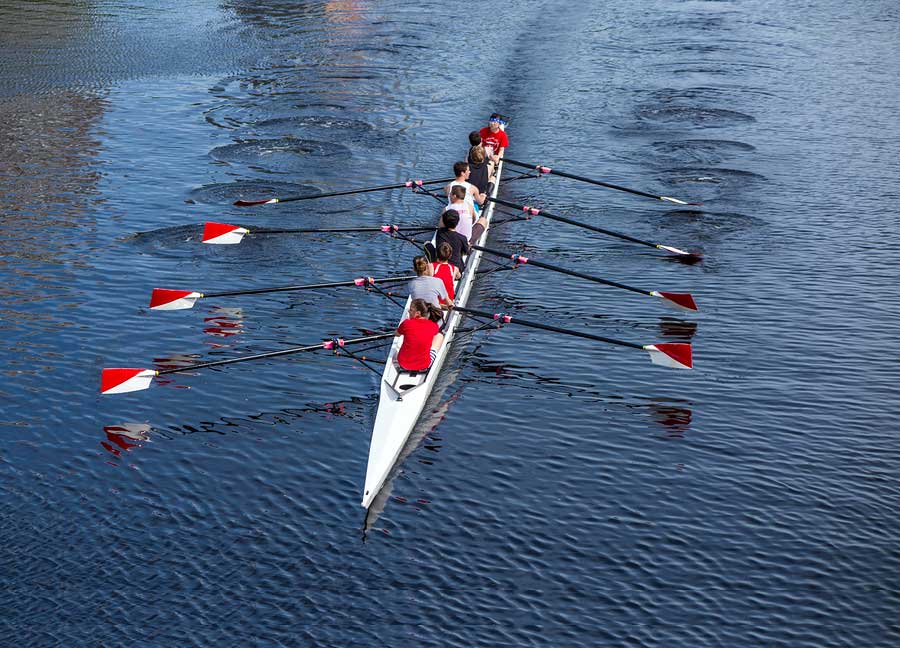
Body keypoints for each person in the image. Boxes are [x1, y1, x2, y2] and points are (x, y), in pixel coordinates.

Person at [396, 298, 444, 372]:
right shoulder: (434, 326)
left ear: (418, 313)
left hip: (402, 363)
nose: (408, 311)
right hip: (424, 365)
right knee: (440, 335)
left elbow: (397, 334)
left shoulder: (406, 323)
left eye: (411, 310)